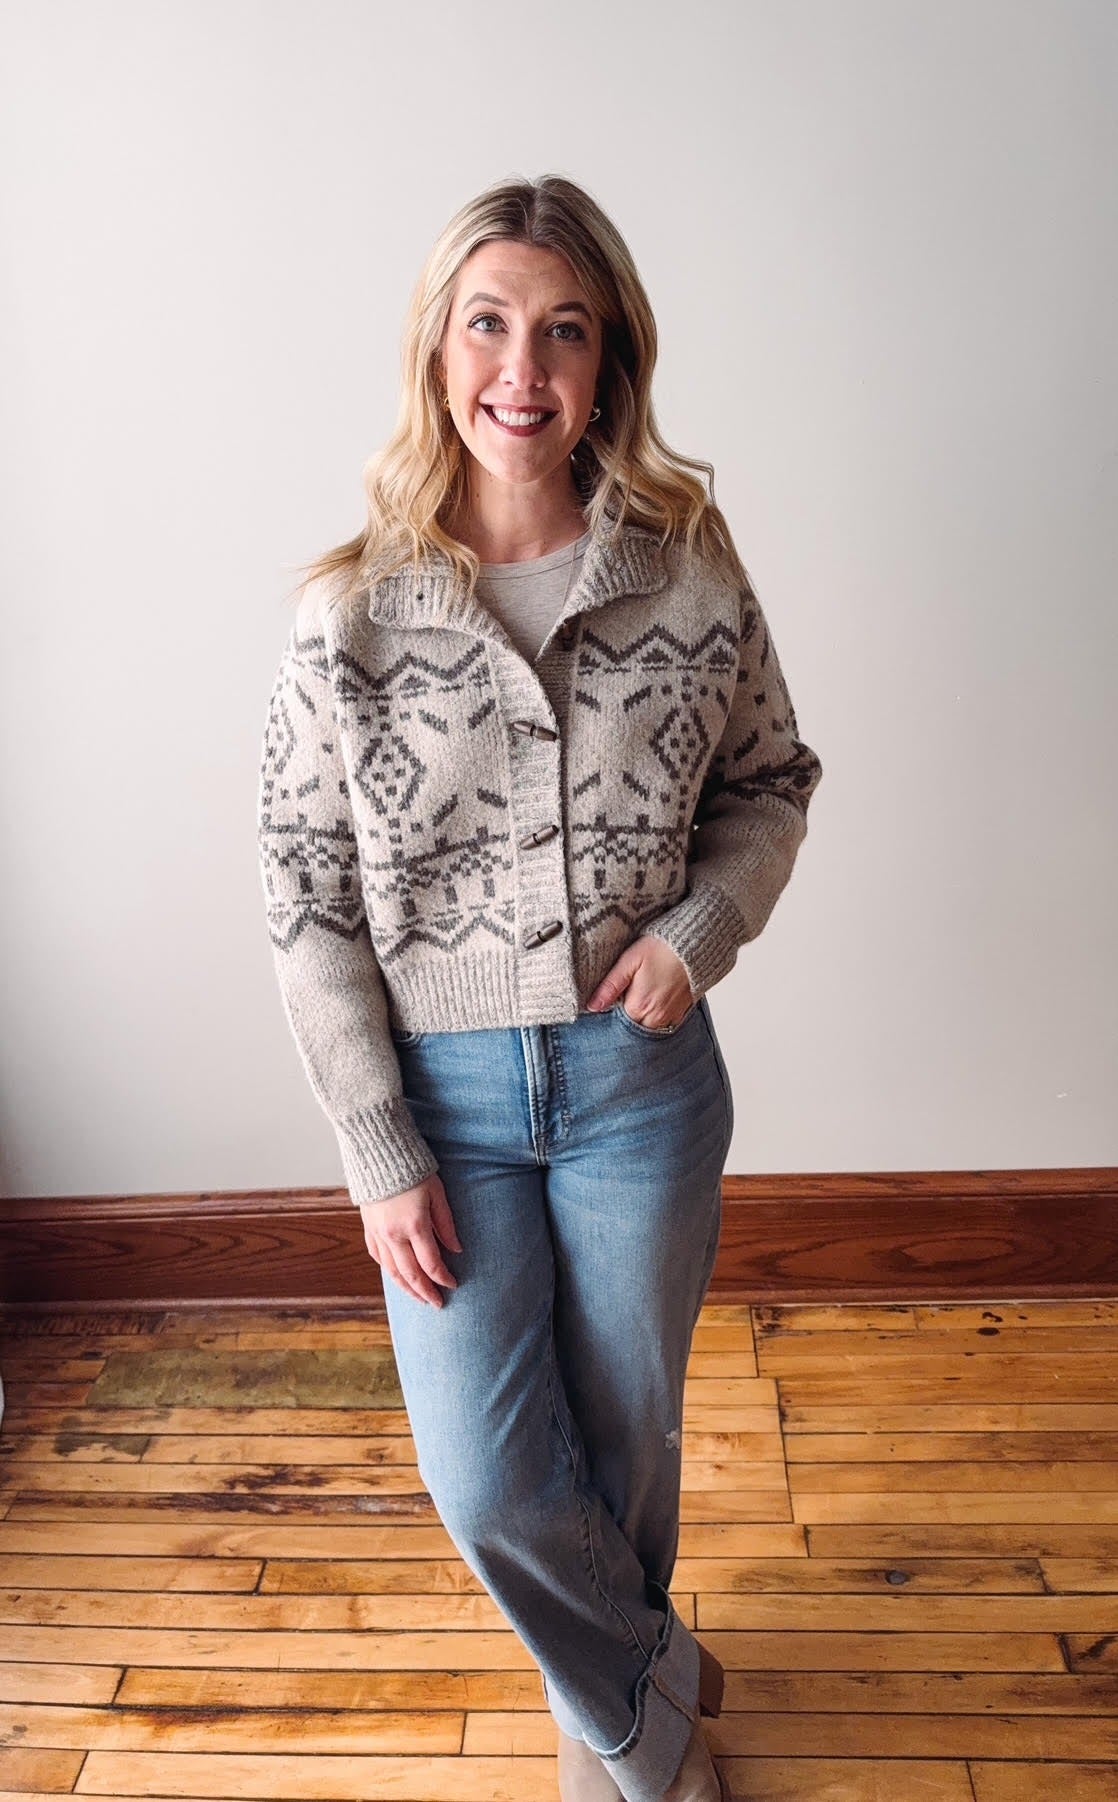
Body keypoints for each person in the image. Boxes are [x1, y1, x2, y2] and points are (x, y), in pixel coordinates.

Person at [257, 173, 823, 1802]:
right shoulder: (347, 613)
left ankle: (609, 1730)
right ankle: (650, 1686)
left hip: (639, 1085)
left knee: (624, 1435)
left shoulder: (687, 568)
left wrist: (698, 931)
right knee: (492, 1472)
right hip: (445, 1106)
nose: (525, 366)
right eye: (491, 323)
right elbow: (302, 899)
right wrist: (377, 1147)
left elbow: (772, 779)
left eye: (564, 331)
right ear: (439, 354)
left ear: (609, 365)